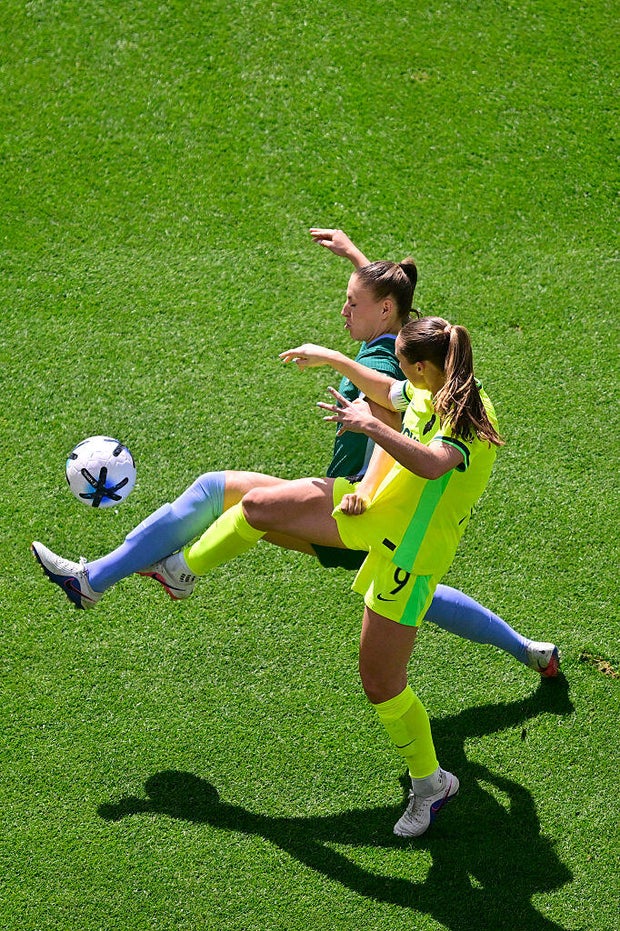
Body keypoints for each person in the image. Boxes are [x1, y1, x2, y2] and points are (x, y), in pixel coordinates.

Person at [35, 315, 519, 837]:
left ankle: (432, 783)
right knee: (259, 505)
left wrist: (371, 425)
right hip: (368, 514)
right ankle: (177, 571)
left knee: (381, 684)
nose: (398, 376)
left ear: (425, 367)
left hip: (408, 555)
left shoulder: (467, 418)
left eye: (405, 365)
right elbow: (389, 390)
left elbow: (431, 464)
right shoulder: (429, 387)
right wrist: (333, 359)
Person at [31, 255, 557, 676]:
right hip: (378, 513)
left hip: (357, 508)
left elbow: (390, 428)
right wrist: (357, 265)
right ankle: (527, 649)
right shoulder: (412, 346)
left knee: (232, 499)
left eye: (353, 302)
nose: (343, 311)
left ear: (390, 318)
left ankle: (157, 574)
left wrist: (365, 483)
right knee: (424, 597)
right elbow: (391, 313)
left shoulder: (393, 365)